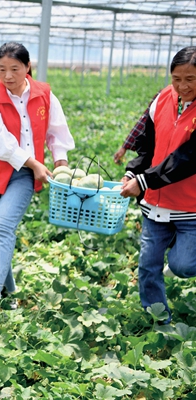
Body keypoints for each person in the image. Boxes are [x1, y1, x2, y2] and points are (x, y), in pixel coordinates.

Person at [0, 42, 75, 319]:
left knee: (2, 229)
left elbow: (56, 131)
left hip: (23, 175)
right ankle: (9, 294)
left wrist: (60, 162)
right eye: (2, 69)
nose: (8, 76)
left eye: (15, 69)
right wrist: (35, 162)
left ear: (28, 67)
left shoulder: (45, 95)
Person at [120, 46, 196, 325]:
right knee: (149, 266)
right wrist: (133, 172)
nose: (182, 85)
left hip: (191, 206)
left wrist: (144, 180)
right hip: (155, 204)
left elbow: (188, 158)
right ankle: (158, 320)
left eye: (191, 79)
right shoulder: (162, 98)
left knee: (183, 265)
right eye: (177, 78)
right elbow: (147, 146)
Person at [113, 92, 160, 164]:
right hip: (155, 154)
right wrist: (125, 146)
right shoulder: (163, 96)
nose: (182, 86)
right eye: (178, 80)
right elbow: (145, 120)